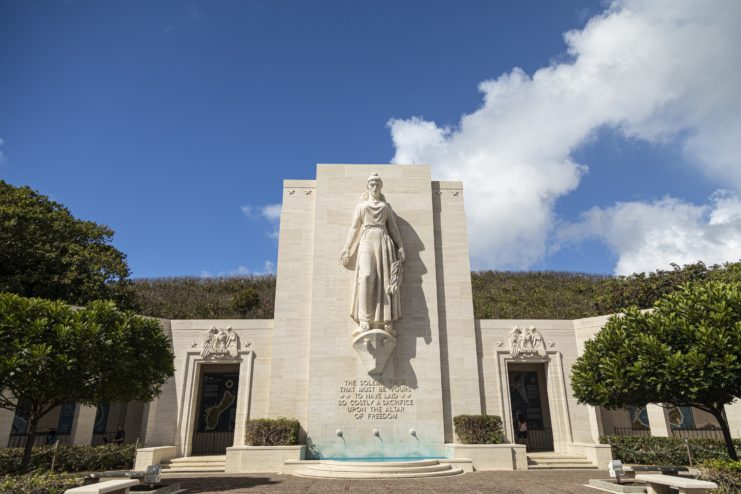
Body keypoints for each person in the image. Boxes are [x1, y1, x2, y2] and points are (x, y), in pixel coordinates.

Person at [341, 173, 405, 337]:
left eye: (377, 184)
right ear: (368, 187)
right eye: (371, 184)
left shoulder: (386, 208)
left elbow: (394, 228)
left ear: (380, 186)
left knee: (385, 280)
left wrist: (401, 246)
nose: (374, 187)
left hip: (383, 240)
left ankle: (386, 319)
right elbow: (355, 228)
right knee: (367, 276)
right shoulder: (361, 207)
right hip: (366, 239)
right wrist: (347, 249)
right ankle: (364, 319)